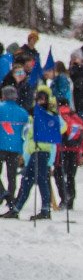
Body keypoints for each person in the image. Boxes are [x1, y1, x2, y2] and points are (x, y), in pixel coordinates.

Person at [2, 87, 66, 221]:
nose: (40, 102)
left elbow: (61, 127)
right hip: (33, 151)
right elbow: (27, 131)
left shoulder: (49, 114)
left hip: (42, 151)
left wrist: (48, 127)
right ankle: (17, 209)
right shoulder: (34, 114)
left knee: (40, 180)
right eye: (38, 99)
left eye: (42, 99)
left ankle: (43, 210)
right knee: (27, 181)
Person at [54, 97, 83, 210]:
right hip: (74, 151)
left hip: (61, 151)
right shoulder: (75, 117)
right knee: (71, 176)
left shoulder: (57, 116)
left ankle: (64, 197)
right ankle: (71, 199)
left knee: (59, 175)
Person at [0, 86, 28, 207]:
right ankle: (11, 199)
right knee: (12, 175)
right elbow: (25, 132)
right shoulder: (23, 112)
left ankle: (3, 193)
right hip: (16, 148)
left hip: (1, 146)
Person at [69, 49, 83, 126]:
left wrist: (75, 68)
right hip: (75, 101)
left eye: (75, 58)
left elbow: (79, 84)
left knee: (80, 123)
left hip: (82, 102)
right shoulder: (74, 69)